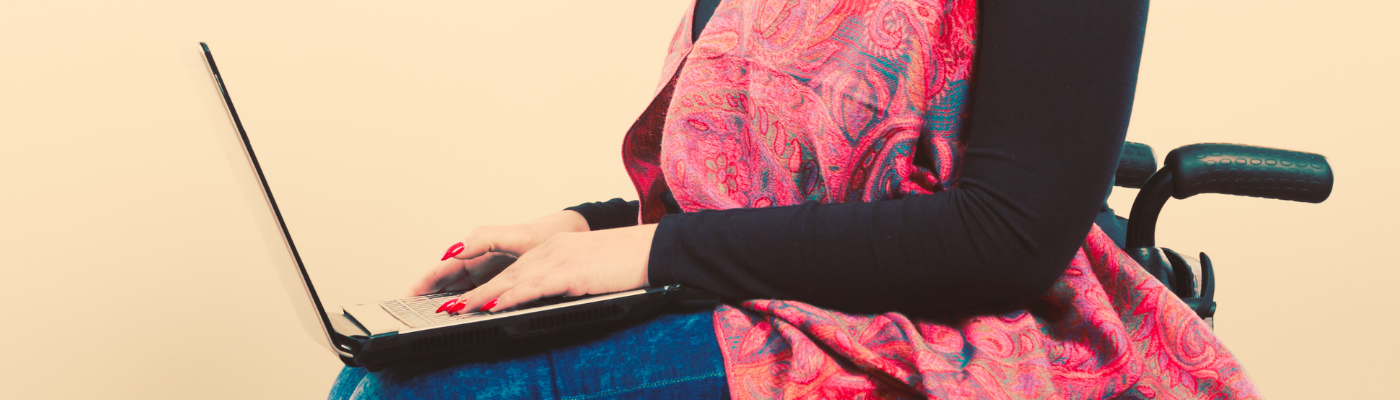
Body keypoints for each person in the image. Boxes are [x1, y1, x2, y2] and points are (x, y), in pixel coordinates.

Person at [330, 0, 1257, 398]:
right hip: (756, 296)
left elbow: (1005, 237)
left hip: (972, 339)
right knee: (388, 366)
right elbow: (756, 184)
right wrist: (587, 228)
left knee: (437, 394)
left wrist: (657, 254)